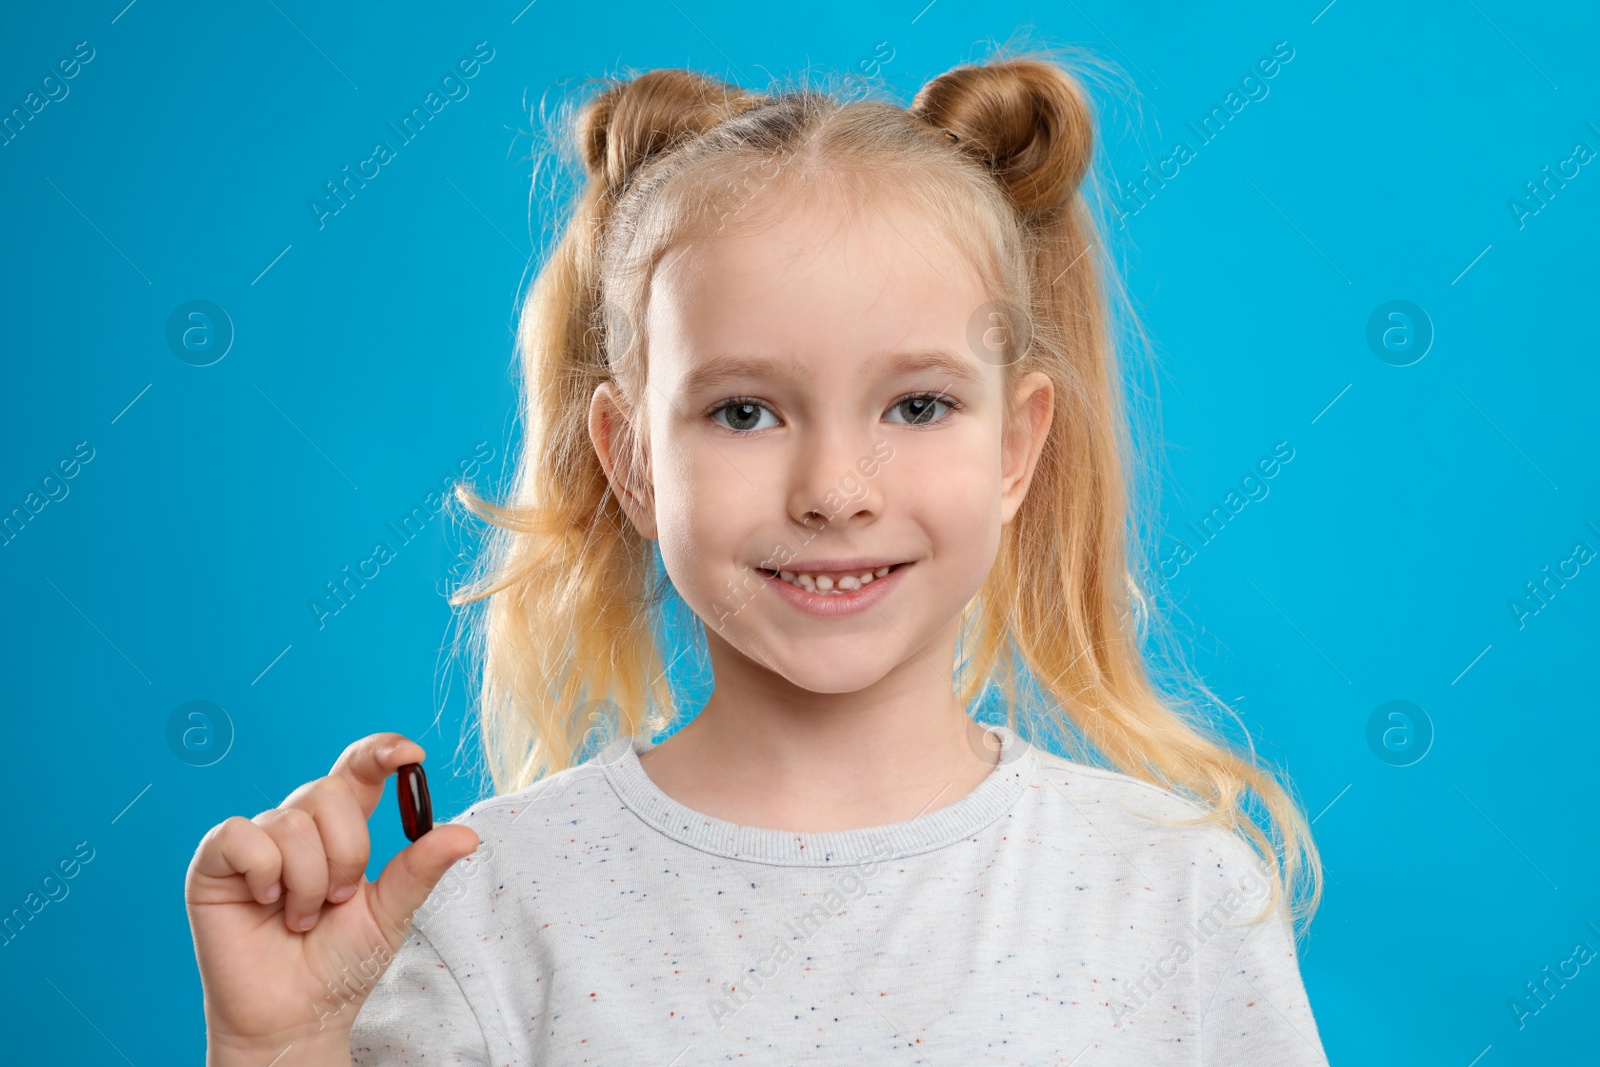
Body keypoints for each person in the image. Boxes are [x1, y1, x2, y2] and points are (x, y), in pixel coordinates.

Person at [187, 48, 1331, 1065]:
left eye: (919, 405)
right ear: (631, 460)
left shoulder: (1172, 892)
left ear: (1015, 448)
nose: (836, 490)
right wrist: (278, 1047)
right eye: (744, 412)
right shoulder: (488, 902)